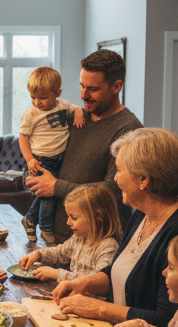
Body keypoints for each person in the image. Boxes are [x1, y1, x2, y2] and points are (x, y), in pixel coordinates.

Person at [50, 127, 178, 327]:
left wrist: (99, 309)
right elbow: (122, 272)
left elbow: (169, 320)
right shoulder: (141, 214)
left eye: (119, 170)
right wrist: (84, 283)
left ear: (143, 180)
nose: (115, 179)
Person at [25, 49, 142, 244]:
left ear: (116, 86)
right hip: (57, 238)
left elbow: (115, 191)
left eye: (93, 89)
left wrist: (56, 186)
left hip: (98, 243)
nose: (84, 96)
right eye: (81, 86)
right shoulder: (75, 117)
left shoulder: (129, 130)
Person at [19, 65, 86, 243]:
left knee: (48, 192)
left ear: (58, 93)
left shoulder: (63, 105)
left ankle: (30, 219)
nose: (37, 102)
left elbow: (75, 108)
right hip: (40, 160)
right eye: (33, 97)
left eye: (43, 98)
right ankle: (46, 229)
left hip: (60, 160)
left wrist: (78, 112)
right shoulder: (31, 114)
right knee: (48, 195)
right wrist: (29, 159)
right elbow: (23, 138)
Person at [18, 182, 121, 282]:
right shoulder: (78, 238)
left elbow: (96, 281)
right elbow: (59, 253)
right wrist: (38, 254)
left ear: (97, 217)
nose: (68, 222)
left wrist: (57, 274)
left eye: (74, 218)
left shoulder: (108, 247)